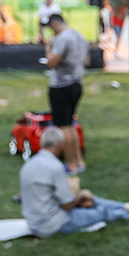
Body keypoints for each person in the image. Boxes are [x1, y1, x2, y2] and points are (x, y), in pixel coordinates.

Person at [19, 127, 129, 237]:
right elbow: (67, 205)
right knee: (99, 211)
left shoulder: (29, 165)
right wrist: (80, 196)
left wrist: (80, 198)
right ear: (61, 144)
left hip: (34, 222)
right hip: (53, 224)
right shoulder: (54, 167)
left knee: (90, 199)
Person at [45, 14, 88, 173]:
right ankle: (79, 162)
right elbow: (87, 60)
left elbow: (52, 62)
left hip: (61, 86)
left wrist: (48, 49)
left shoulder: (62, 39)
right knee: (70, 125)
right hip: (77, 83)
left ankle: (71, 165)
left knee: (63, 127)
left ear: (55, 24)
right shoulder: (80, 36)